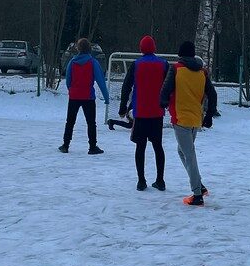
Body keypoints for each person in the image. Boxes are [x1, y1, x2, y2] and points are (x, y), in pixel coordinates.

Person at [159, 40, 217, 206]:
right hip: (195, 119)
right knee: (182, 151)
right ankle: (200, 185)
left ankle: (197, 194)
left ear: (180, 55)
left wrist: (162, 102)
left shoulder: (176, 69)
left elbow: (166, 88)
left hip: (180, 118)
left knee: (189, 154)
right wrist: (209, 115)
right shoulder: (202, 72)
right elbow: (212, 95)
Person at [118, 35, 170, 191]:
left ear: (141, 48)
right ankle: (160, 180)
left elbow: (126, 86)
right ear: (154, 48)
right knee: (158, 146)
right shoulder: (164, 64)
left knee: (140, 147)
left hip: (141, 112)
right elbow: (170, 86)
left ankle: (141, 180)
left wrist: (123, 106)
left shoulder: (136, 65)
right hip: (157, 112)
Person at [59, 38, 110, 155]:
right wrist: (106, 98)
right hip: (88, 97)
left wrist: (71, 90)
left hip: (74, 96)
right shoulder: (93, 63)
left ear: (78, 49)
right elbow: (101, 82)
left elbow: (68, 80)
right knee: (91, 122)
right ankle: (92, 147)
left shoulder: (72, 62)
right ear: (89, 49)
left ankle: (65, 145)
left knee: (70, 121)